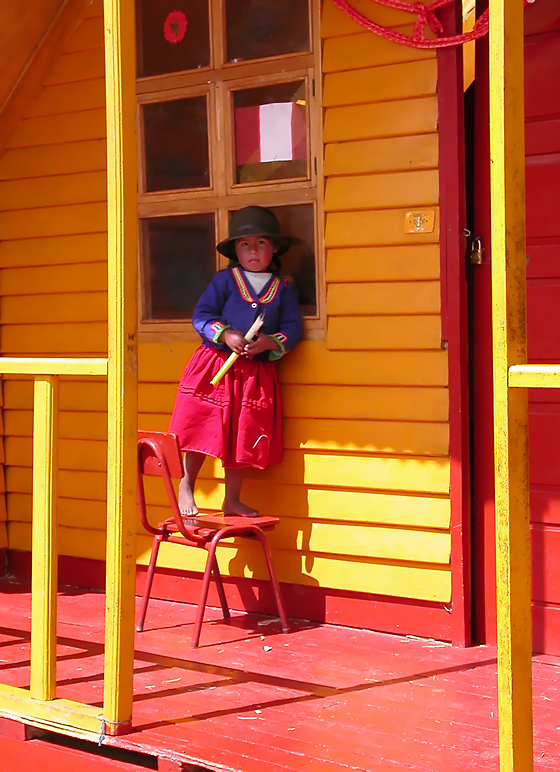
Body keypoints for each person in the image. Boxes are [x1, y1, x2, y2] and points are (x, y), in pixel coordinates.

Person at [169, 206, 303, 517]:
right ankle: (187, 484)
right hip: (216, 364)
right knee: (203, 424)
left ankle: (232, 499)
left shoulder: (283, 288)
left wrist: (270, 343)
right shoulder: (225, 280)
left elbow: (293, 327)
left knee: (242, 433)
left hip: (255, 372)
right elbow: (202, 316)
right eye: (245, 244)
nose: (253, 250)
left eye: (261, 243)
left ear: (275, 248)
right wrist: (226, 334)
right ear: (235, 251)